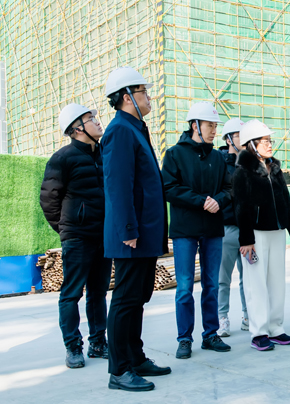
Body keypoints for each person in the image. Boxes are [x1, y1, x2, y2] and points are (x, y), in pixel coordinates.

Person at [102, 66, 170, 391]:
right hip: (132, 234)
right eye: (144, 91)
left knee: (139, 297)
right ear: (127, 96)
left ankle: (135, 357)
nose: (149, 97)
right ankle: (119, 370)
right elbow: (118, 185)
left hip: (144, 233)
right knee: (126, 299)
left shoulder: (135, 128)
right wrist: (128, 228)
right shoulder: (119, 131)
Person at [40, 103, 112, 369]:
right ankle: (73, 347)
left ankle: (98, 343)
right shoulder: (63, 158)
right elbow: (49, 199)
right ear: (77, 128)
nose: (97, 121)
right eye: (91, 118)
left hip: (103, 236)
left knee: (98, 293)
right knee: (71, 294)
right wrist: (66, 230)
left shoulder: (105, 153)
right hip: (78, 238)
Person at [162, 102, 232, 359]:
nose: (214, 131)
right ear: (195, 125)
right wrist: (202, 201)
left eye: (215, 126)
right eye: (209, 125)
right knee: (184, 287)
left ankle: (210, 335)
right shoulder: (174, 154)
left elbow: (229, 189)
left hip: (212, 229)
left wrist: (219, 201)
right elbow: (169, 188)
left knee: (211, 285)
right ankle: (184, 339)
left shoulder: (218, 158)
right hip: (185, 230)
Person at [232, 119, 290, 351]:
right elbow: (240, 207)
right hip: (255, 235)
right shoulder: (243, 172)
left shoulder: (275, 169)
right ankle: (259, 332)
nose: (270, 144)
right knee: (256, 284)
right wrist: (246, 240)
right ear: (251, 144)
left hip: (276, 231)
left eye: (270, 140)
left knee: (276, 282)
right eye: (264, 141)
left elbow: (286, 200)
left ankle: (276, 328)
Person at [216, 118, 249, 337]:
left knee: (249, 277)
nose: (244, 140)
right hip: (227, 228)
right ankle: (222, 317)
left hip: (248, 230)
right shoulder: (218, 163)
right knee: (222, 278)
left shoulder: (251, 163)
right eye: (239, 136)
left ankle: (248, 315)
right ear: (228, 139)